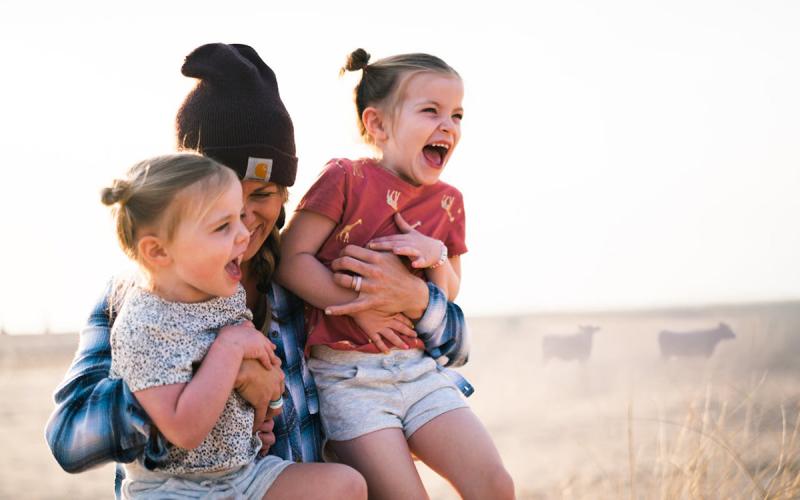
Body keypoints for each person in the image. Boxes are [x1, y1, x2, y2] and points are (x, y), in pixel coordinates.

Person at [45, 43, 470, 499]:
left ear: (286, 196)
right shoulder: (137, 293)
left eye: (263, 192)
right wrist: (217, 377)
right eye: (223, 199)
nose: (245, 217)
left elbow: (453, 352)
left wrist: (417, 299)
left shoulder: (304, 278)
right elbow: (71, 439)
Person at [276, 49, 515, 499]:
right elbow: (291, 259)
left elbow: (448, 293)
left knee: (495, 484)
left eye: (458, 115)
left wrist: (436, 255)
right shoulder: (345, 178)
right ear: (378, 125)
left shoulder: (449, 201)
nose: (449, 126)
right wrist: (358, 307)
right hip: (349, 379)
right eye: (431, 111)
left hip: (418, 371)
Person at [100, 153, 297, 498]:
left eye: (238, 219)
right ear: (158, 252)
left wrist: (260, 419)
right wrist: (230, 348)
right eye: (223, 226)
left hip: (240, 473)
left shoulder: (223, 294)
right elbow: (185, 430)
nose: (242, 234)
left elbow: (261, 374)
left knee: (347, 485)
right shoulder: (143, 325)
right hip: (176, 488)